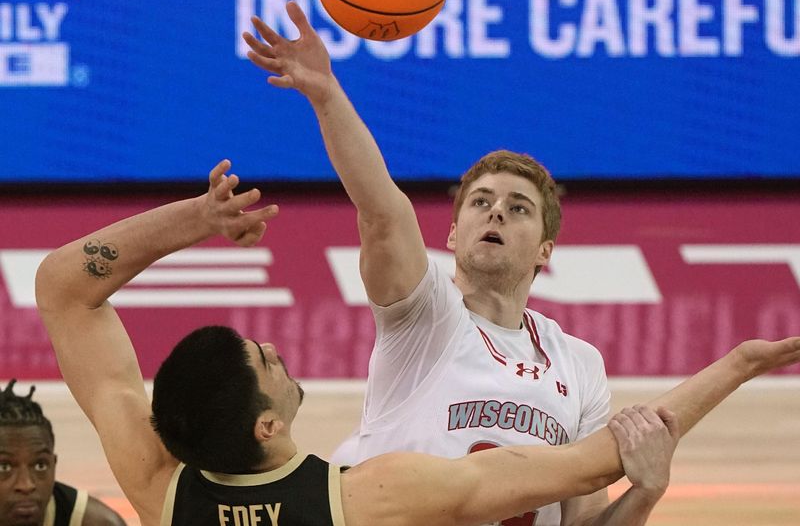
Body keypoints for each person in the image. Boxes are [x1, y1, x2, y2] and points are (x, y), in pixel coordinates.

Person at [34, 160, 800, 526]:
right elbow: (598, 457)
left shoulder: (162, 491)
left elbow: (65, 289)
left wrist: (194, 222)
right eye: (267, 360)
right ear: (269, 424)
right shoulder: (367, 496)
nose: (279, 352)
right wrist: (738, 365)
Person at [241, 1, 668, 526]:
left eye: (518, 209)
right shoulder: (423, 314)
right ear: (452, 231)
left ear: (544, 250)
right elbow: (382, 210)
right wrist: (327, 95)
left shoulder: (580, 364)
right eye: (481, 202)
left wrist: (644, 493)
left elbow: (583, 519)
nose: (496, 213)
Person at [0, 379, 126, 526]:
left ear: (54, 464)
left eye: (40, 465)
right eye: (4, 467)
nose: (26, 485)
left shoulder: (97, 523)